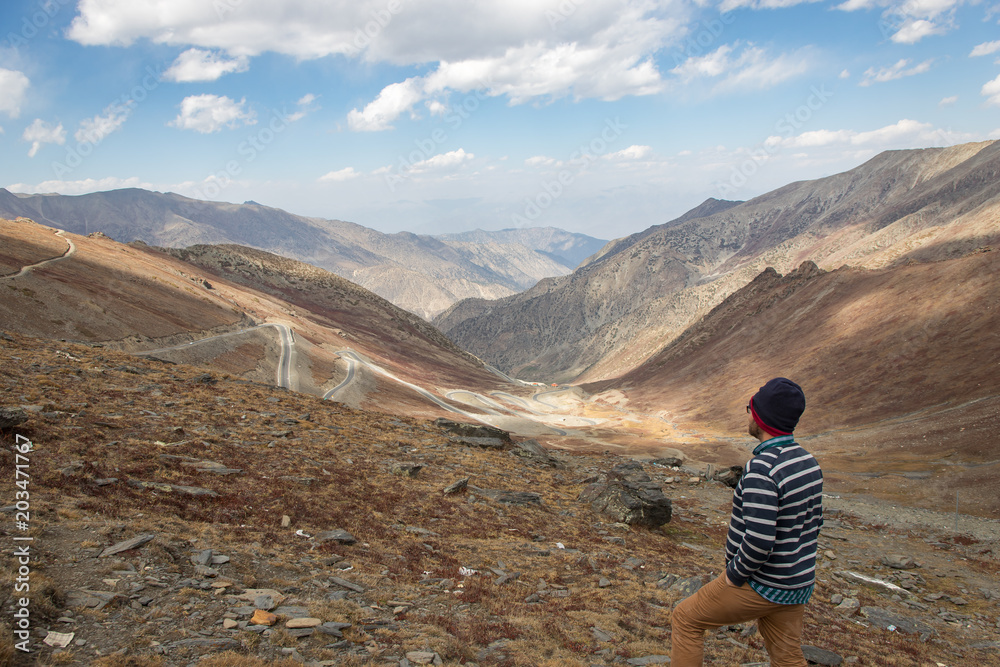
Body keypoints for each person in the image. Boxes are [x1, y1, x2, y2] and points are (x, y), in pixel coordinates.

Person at [669, 377, 823, 667]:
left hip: (762, 584)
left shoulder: (762, 469)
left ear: (762, 418)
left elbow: (760, 540)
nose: (749, 414)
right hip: (797, 583)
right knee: (787, 656)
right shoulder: (807, 461)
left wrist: (734, 575)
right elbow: (814, 522)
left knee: (686, 618)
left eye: (751, 408)